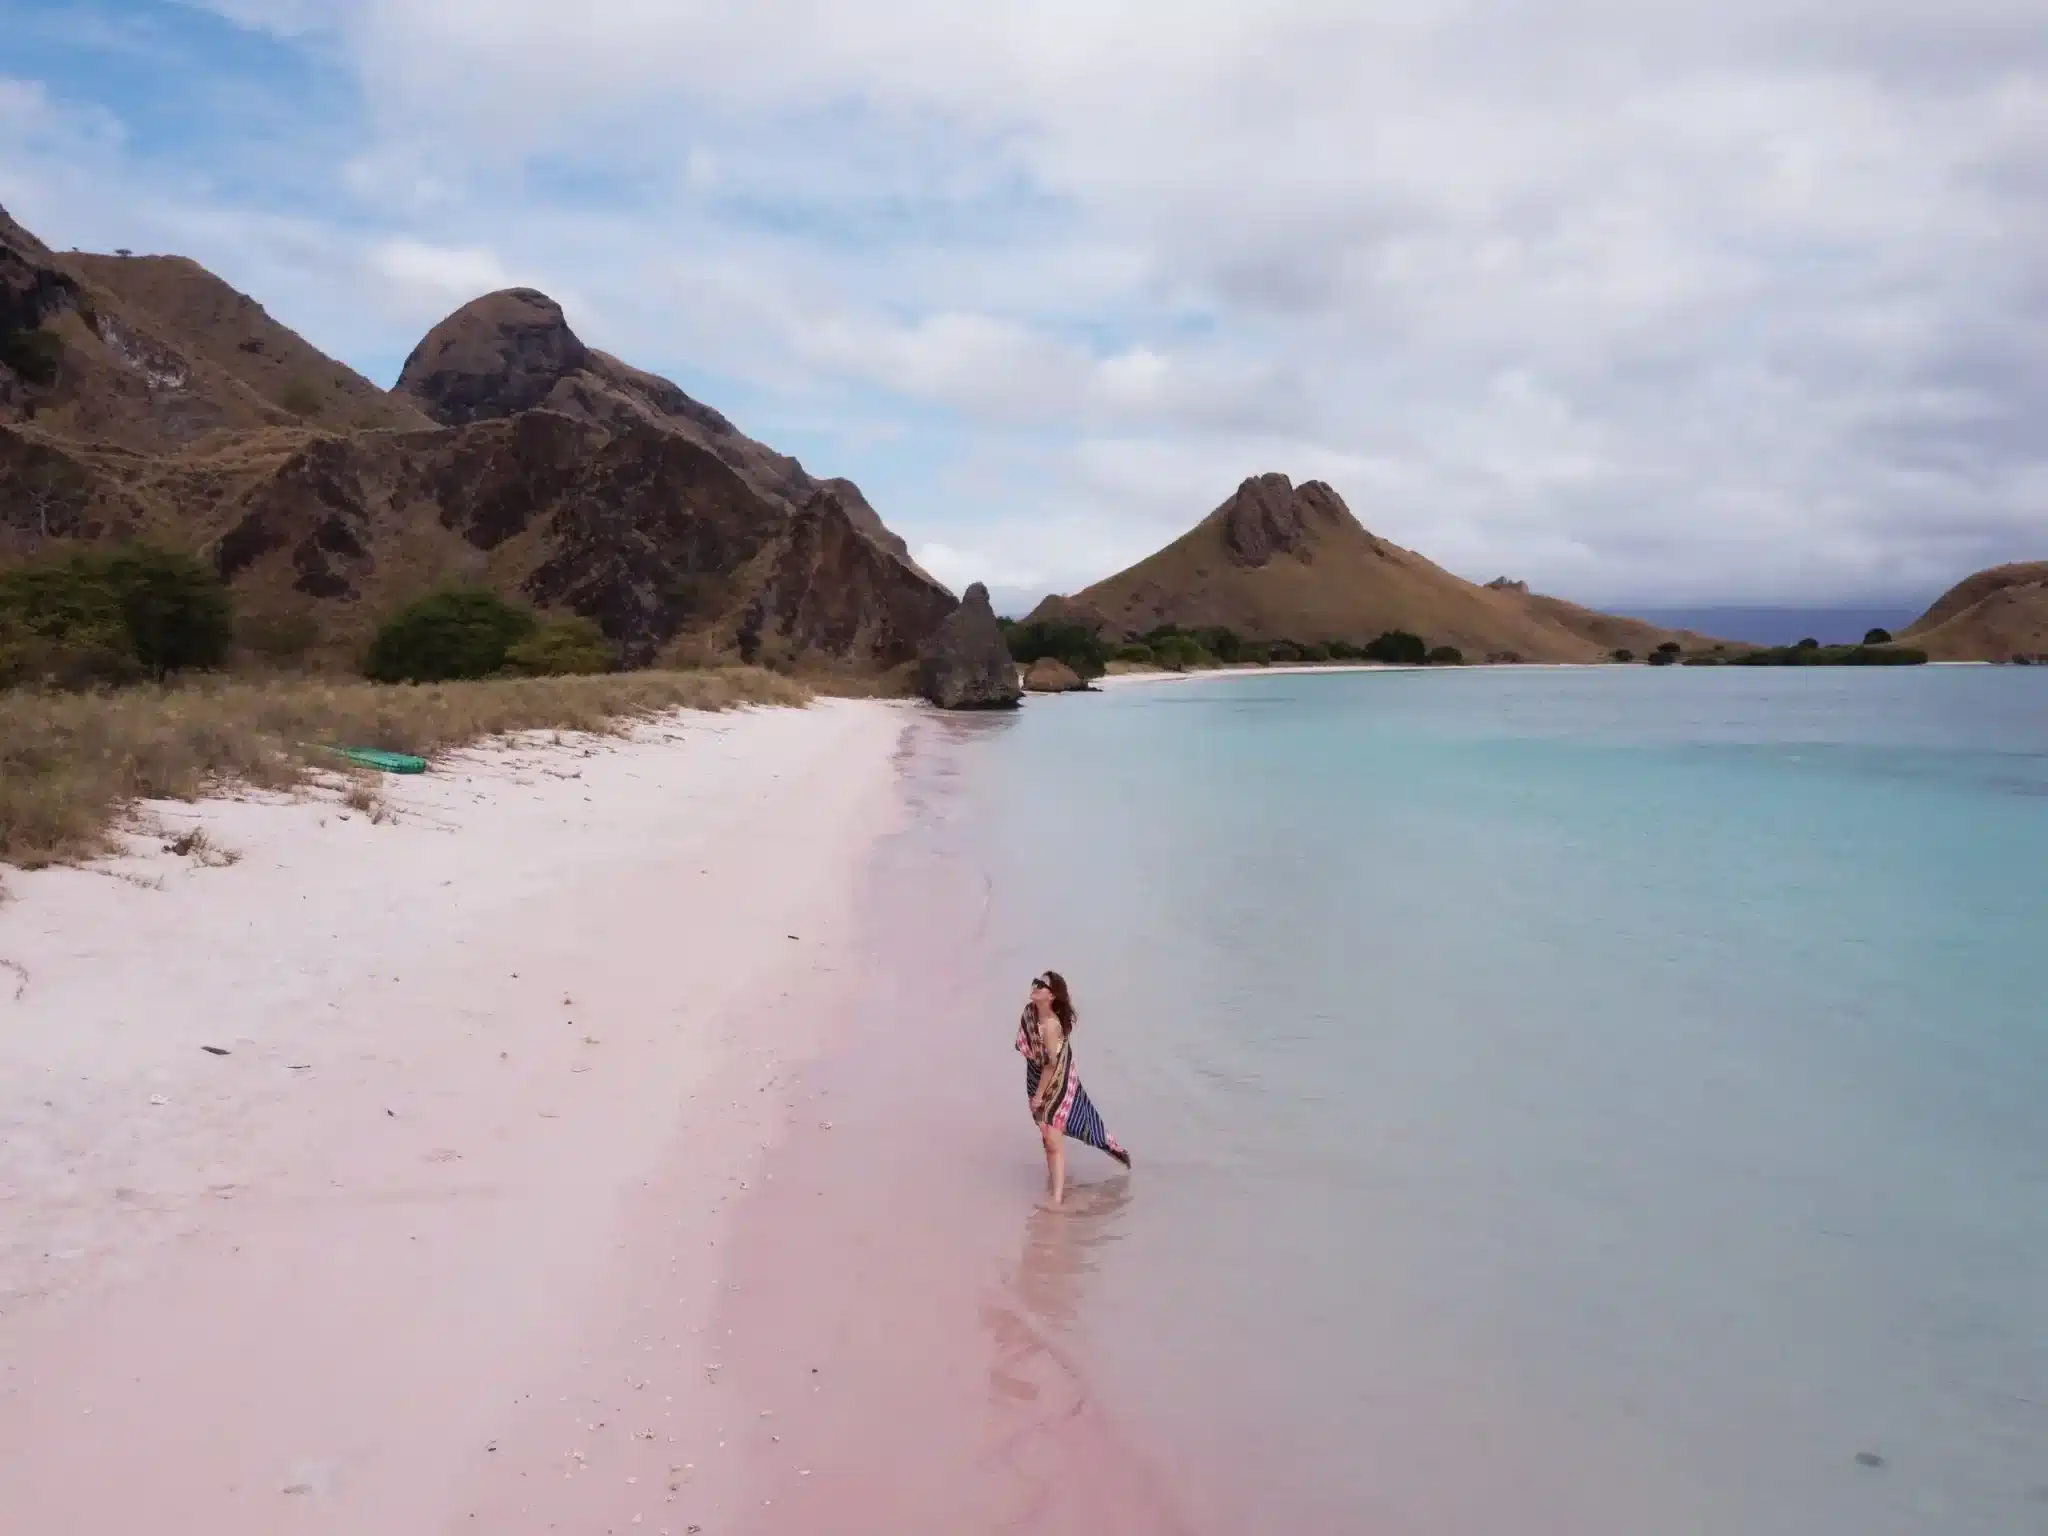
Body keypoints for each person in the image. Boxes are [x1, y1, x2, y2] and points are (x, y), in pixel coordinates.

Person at [1017, 972, 1131, 1205]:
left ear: (1051, 996)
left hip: (1057, 1081)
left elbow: (1051, 1065)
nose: (1035, 986)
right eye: (1036, 982)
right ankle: (1056, 1183)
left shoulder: (1051, 1025)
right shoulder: (1030, 1013)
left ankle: (1057, 1199)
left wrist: (1039, 1096)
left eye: (1041, 985)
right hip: (1036, 1076)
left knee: (1053, 1138)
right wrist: (1035, 1090)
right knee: (1047, 1136)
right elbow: (1033, 1053)